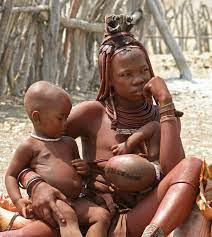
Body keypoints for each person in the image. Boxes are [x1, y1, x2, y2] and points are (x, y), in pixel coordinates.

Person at [0, 15, 202, 237]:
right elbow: (39, 144)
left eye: (144, 70)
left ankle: (154, 234)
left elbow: (174, 173)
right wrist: (36, 184)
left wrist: (165, 103)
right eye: (126, 74)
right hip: (91, 213)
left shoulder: (165, 117)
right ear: (109, 79)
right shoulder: (93, 114)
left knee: (193, 165)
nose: (138, 79)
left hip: (139, 218)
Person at [3, 81, 112, 237]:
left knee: (102, 216)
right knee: (67, 216)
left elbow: (77, 172)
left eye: (67, 118)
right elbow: (11, 175)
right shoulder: (30, 146)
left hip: (75, 200)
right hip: (49, 203)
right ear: (37, 117)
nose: (65, 123)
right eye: (60, 118)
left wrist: (84, 169)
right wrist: (18, 200)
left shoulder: (69, 143)